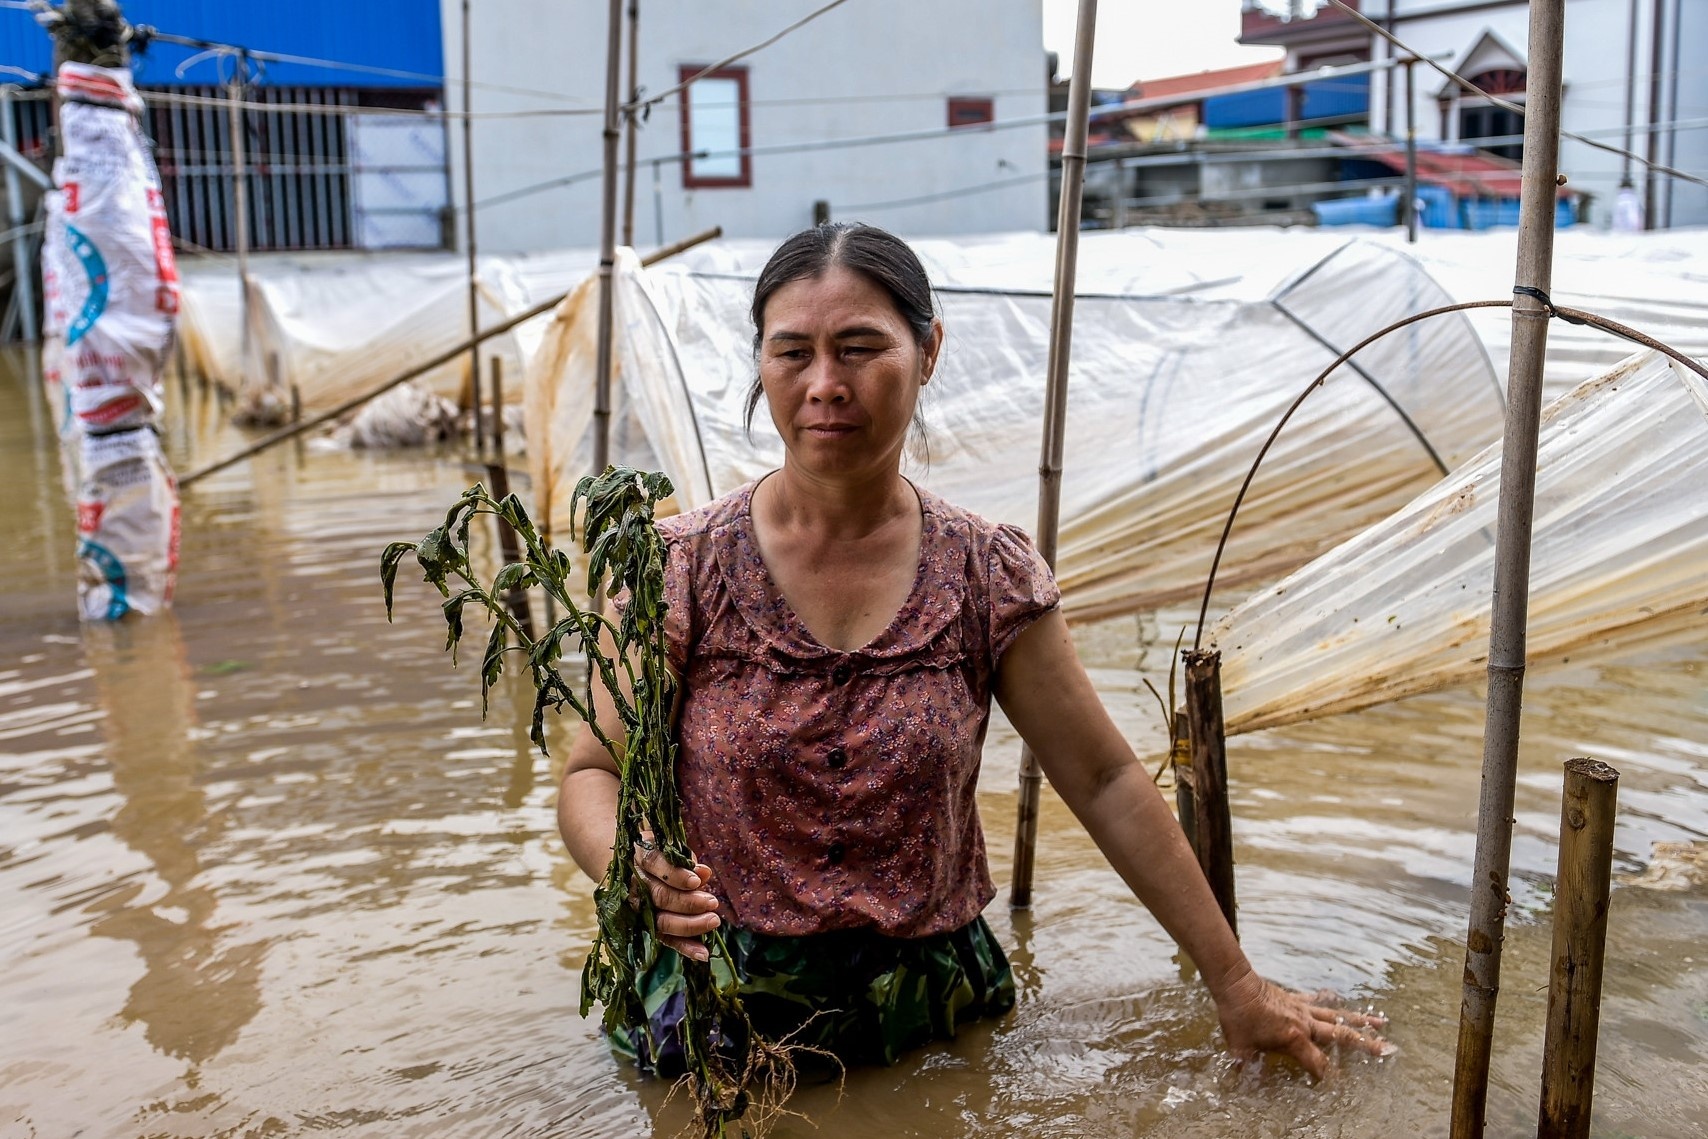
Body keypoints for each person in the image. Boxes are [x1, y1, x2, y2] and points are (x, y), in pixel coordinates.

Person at [557, 222, 1386, 1078]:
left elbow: (1104, 779)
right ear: (761, 362)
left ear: (928, 351)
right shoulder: (676, 569)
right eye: (793, 352)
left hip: (933, 1019)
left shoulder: (986, 573)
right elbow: (592, 771)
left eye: (859, 349)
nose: (826, 384)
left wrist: (1236, 983)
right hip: (716, 1017)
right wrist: (634, 867)